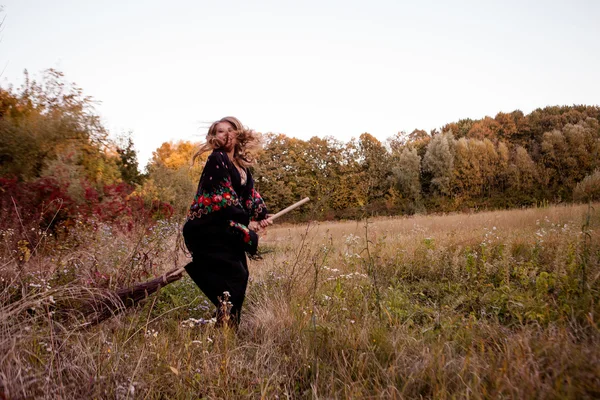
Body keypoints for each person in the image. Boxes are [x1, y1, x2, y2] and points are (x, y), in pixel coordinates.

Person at [182, 116, 271, 326]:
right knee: (235, 273)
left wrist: (261, 216)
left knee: (241, 273)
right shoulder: (217, 159)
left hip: (226, 228)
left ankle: (226, 325)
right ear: (215, 137)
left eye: (230, 129)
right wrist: (246, 222)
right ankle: (223, 319)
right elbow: (223, 197)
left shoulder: (242, 168)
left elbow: (250, 196)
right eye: (220, 131)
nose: (226, 134)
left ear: (238, 133)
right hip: (207, 229)